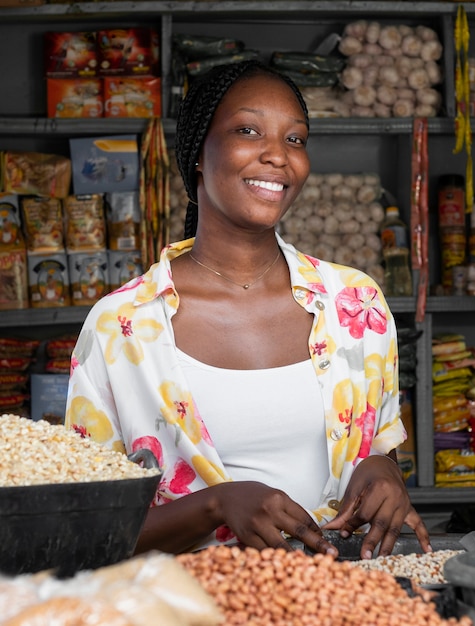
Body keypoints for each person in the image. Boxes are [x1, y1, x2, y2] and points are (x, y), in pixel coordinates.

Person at [65, 59, 431, 560]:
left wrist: (383, 469)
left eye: (295, 139)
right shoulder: (121, 326)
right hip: (186, 606)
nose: (278, 156)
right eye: (248, 130)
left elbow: (377, 448)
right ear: (198, 153)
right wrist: (214, 506)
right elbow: (87, 528)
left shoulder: (354, 303)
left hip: (338, 598)